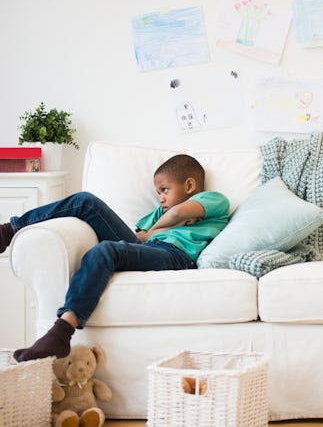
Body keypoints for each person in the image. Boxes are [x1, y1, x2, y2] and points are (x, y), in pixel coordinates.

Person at [0, 154, 229, 362]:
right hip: (147, 248)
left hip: (175, 256)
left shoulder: (214, 199)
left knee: (105, 250)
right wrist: (157, 229)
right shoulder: (160, 212)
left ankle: (61, 332)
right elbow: (139, 235)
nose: (160, 198)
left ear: (189, 185)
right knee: (85, 200)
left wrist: (161, 227)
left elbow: (177, 213)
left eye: (165, 190)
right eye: (158, 192)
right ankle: (8, 231)